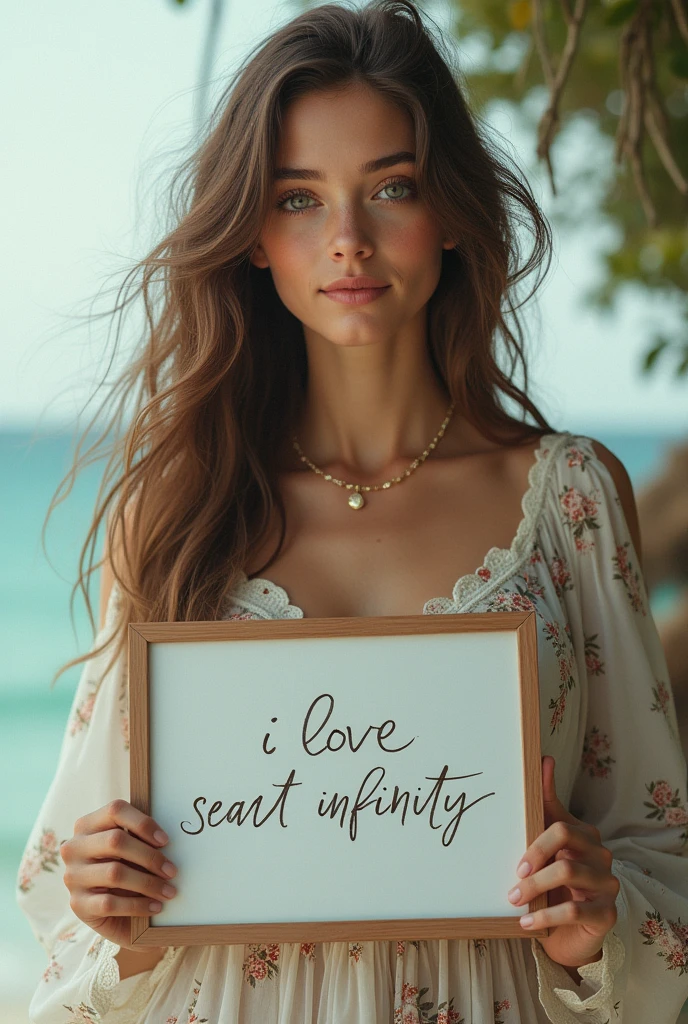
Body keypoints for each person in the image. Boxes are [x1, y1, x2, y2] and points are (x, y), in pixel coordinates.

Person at [16, 0, 688, 1021]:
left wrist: (603, 917)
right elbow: (66, 917)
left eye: (391, 187)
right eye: (298, 199)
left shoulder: (571, 501)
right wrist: (111, 900)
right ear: (249, 234)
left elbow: (660, 849)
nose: (347, 241)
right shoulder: (174, 510)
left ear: (452, 209)